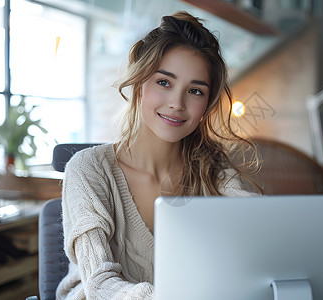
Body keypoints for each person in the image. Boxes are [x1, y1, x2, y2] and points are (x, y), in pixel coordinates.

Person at [56, 11, 260, 300]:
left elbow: (263, 240)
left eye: (195, 91)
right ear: (140, 84)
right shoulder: (88, 169)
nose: (177, 103)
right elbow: (100, 284)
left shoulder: (216, 172)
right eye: (164, 82)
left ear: (207, 104)